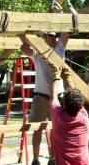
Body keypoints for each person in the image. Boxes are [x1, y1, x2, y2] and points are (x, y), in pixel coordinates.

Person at [20, 32, 69, 165]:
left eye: (55, 35)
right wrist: (26, 35)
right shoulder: (38, 52)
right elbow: (23, 48)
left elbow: (66, 32)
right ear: (44, 38)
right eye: (50, 35)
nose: (54, 37)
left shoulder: (60, 48)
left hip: (58, 97)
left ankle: (52, 158)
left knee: (56, 129)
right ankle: (35, 159)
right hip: (40, 97)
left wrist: (57, 15)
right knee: (37, 129)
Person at [48, 64, 89, 165]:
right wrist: (68, 79)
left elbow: (53, 96)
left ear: (64, 104)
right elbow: (77, 97)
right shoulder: (83, 116)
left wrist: (56, 76)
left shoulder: (58, 117)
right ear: (80, 105)